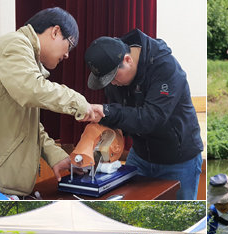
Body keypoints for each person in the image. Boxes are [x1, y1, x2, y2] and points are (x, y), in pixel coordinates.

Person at [0, 7, 104, 199]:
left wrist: (56, 157)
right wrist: (82, 104)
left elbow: (29, 128)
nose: (67, 55)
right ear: (55, 31)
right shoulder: (15, 44)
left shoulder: (26, 59)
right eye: (70, 45)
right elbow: (31, 88)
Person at [83, 31, 204, 200]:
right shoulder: (115, 69)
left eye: (113, 77)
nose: (111, 83)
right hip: (140, 156)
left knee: (179, 219)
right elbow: (120, 116)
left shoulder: (165, 67)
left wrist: (108, 111)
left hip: (178, 160)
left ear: (127, 60)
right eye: (106, 80)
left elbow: (151, 118)